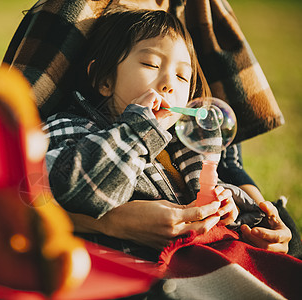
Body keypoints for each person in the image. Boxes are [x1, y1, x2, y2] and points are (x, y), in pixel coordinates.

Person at [42, 8, 292, 261]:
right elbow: (72, 193)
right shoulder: (72, 128)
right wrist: (138, 131)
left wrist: (229, 205)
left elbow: (216, 180)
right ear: (104, 79)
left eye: (182, 76)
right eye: (151, 64)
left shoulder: (185, 144)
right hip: (130, 271)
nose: (169, 83)